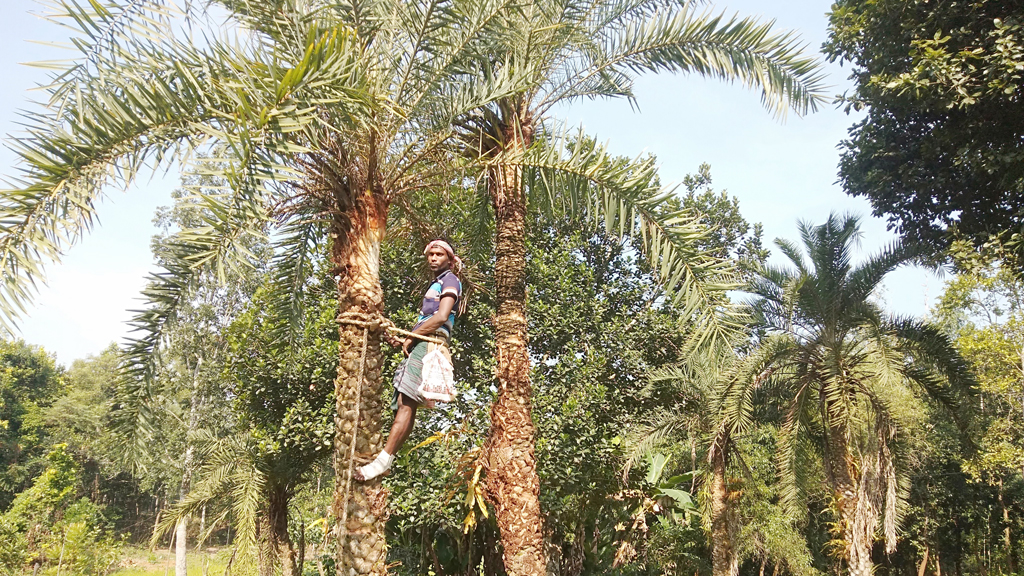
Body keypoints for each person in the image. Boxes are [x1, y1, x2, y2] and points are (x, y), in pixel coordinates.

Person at [355, 239, 463, 482]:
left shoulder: (449, 281)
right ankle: (385, 460)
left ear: (449, 259)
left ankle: (382, 462)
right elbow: (428, 320)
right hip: (422, 342)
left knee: (406, 403)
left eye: (439, 254)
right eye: (430, 254)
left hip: (430, 343)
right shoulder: (436, 283)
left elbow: (441, 317)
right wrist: (406, 339)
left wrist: (412, 340)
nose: (433, 258)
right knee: (406, 402)